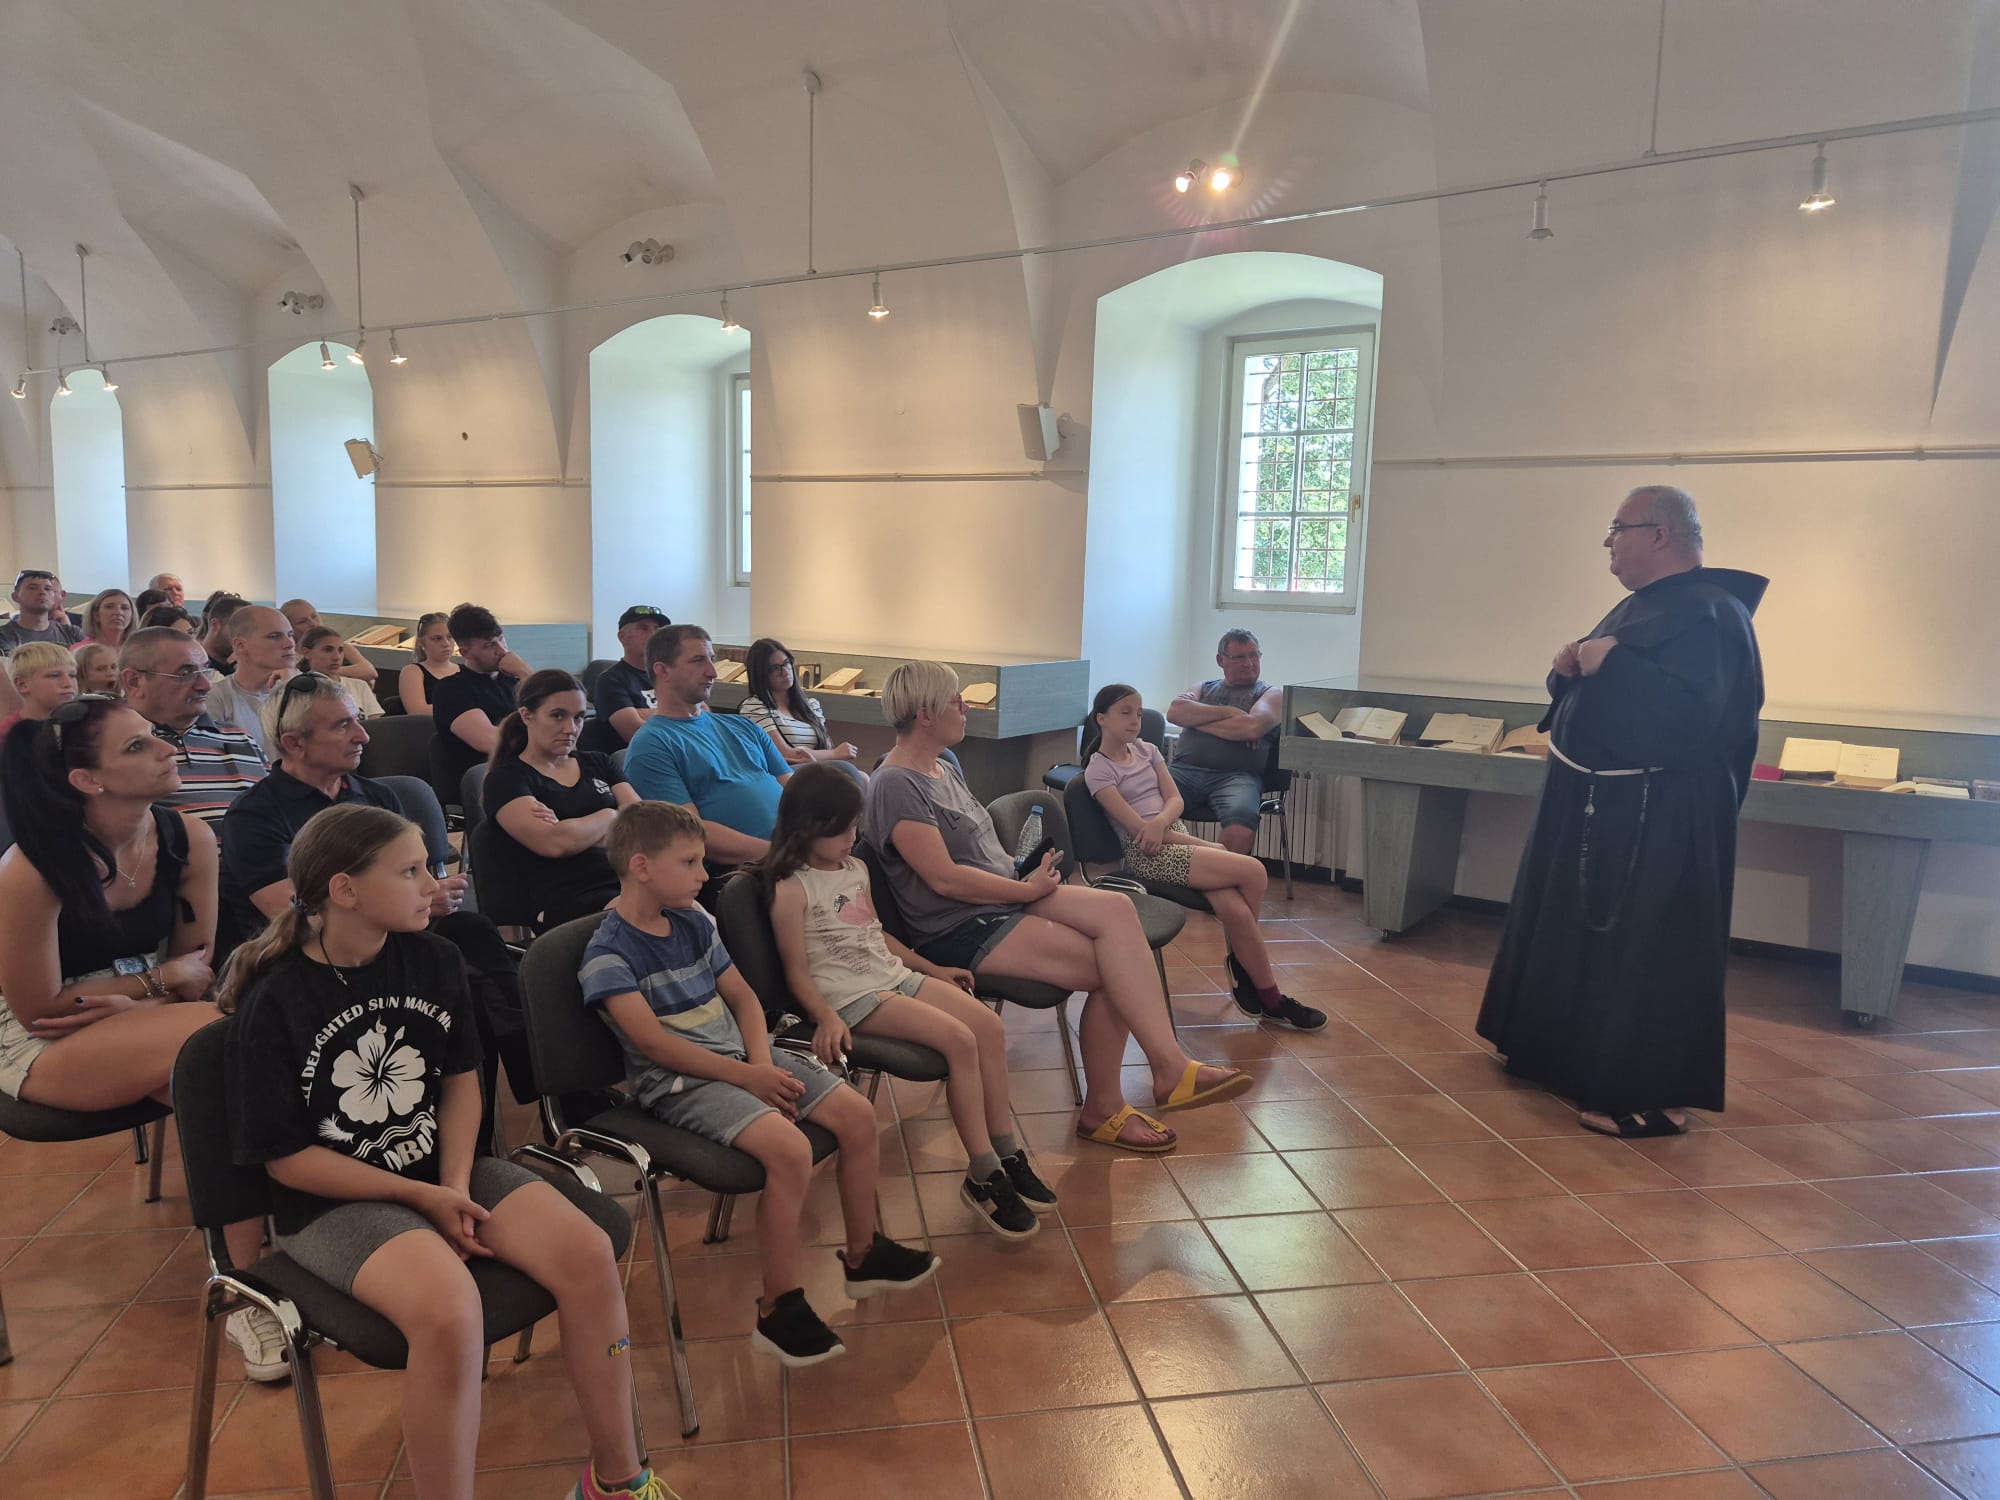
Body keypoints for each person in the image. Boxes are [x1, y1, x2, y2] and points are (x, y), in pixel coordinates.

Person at [220, 805, 673, 1500]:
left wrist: (454, 1184)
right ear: (345, 890)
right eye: (410, 871)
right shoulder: (275, 998)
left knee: (586, 1253)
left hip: (442, 1171)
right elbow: (285, 1160)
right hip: (329, 1202)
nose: (433, 885)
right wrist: (420, 1195)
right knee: (451, 1310)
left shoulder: (433, 957)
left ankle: (617, 1480)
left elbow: (462, 1080)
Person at [582, 801, 939, 1368]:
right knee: (791, 1152)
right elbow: (655, 1047)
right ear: (642, 867)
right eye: (690, 862)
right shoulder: (608, 956)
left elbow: (745, 1000)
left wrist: (759, 1064)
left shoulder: (694, 920)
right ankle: (778, 1307)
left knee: (857, 1117)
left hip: (743, 1059)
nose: (704, 875)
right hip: (682, 1083)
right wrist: (748, 1076)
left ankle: (864, 1253)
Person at [0, 697, 286, 1381]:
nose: (166, 747)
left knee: (219, 1071)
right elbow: (40, 1008)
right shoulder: (32, 867)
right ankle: (254, 1278)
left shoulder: (187, 838)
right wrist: (156, 983)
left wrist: (147, 993)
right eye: (136, 746)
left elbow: (199, 967)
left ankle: (257, 1268)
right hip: (36, 1035)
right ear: (87, 781)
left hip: (140, 1009)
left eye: (155, 736)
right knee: (224, 1045)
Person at [864, 660, 1251, 1156]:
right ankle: (1113, 1104)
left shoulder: (943, 766)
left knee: (1118, 913)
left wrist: (1023, 874)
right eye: (956, 700)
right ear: (924, 714)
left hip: (1003, 894)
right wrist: (1024, 892)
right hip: (959, 924)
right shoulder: (895, 783)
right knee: (1113, 969)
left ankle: (1168, 1067)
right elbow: (944, 878)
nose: (965, 708)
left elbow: (978, 853)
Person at [1478, 485, 1766, 1139]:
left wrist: (1619, 664)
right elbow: (1602, 690)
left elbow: (1699, 720)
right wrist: (1568, 671)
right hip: (1596, 802)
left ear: (1659, 534)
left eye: (1617, 527)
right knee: (1577, 938)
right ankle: (1557, 1054)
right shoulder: (1640, 604)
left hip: (1661, 816)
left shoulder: (1715, 612)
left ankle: (1649, 1093)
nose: (1607, 541)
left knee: (1648, 950)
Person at [765, 764, 1053, 1237]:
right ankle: (983, 1172)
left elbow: (877, 935)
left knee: (989, 1027)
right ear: (807, 826)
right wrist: (824, 1016)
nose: (852, 838)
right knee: (960, 1040)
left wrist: (931, 969)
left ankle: (1007, 1152)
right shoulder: (791, 888)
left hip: (892, 976)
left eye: (854, 827)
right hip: (852, 996)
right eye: (840, 830)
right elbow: (795, 973)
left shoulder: (855, 868)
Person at [1083, 683, 1326, 1031]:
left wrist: (1164, 823)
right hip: (1149, 855)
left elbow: (1176, 800)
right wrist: (1204, 845)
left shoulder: (1147, 750)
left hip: (1173, 836)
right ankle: (1247, 973)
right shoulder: (1098, 770)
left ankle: (1269, 998)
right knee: (1254, 872)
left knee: (1237, 912)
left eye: (1138, 712)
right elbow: (1141, 833)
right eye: (1125, 713)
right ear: (1101, 719)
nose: (1135, 720)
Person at [624, 625, 791, 900]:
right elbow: (691, 835)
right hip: (742, 874)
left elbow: (795, 791)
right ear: (663, 671)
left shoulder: (743, 726)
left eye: (712, 659)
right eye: (698, 660)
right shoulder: (651, 746)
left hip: (794, 855)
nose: (712, 672)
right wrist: (781, 854)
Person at [481, 669, 638, 928]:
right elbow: (555, 843)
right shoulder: (507, 779)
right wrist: (612, 815)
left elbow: (642, 825)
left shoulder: (599, 762)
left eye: (579, 717)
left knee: (691, 908)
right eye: (557, 716)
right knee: (648, 914)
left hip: (628, 877)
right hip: (567, 894)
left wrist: (573, 829)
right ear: (527, 715)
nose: (571, 728)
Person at [119, 626, 269, 825]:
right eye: (185, 673)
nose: (205, 685)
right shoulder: (117, 748)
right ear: (134, 681)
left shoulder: (241, 738)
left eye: (205, 670)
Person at [1165, 629, 1282, 857]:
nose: (1249, 663)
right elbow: (1175, 712)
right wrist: (1231, 712)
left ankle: (1216, 876)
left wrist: (1196, 720)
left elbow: (1250, 728)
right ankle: (1155, 872)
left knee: (1241, 825)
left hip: (1236, 777)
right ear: (1221, 660)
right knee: (1141, 801)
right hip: (1183, 771)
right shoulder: (1202, 687)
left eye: (1254, 655)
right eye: (1239, 657)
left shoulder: (1270, 694)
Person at [740, 637, 863, 783]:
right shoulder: (755, 706)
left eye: (787, 663)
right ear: (761, 674)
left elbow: (825, 746)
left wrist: (825, 755)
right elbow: (784, 754)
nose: (785, 671)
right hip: (784, 774)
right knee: (849, 773)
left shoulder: (811, 705)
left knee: (863, 777)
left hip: (816, 769)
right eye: (775, 668)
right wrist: (835, 753)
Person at [430, 603, 521, 800]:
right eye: (489, 645)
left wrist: (525, 674)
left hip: (525, 772)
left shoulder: (514, 681)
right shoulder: (452, 690)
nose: (502, 651)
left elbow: (560, 710)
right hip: (485, 782)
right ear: (465, 653)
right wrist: (545, 740)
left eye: (501, 639)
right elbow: (489, 741)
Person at [206, 605, 299, 760]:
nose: (289, 644)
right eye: (274, 636)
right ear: (240, 645)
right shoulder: (217, 697)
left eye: (290, 635)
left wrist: (294, 689)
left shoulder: (304, 689)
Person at [592, 604, 669, 743]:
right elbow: (636, 733)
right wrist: (680, 714)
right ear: (622, 637)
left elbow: (703, 711)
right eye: (643, 628)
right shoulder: (610, 680)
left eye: (657, 629)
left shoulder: (670, 674)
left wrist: (642, 713)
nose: (653, 635)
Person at [279, 598, 379, 686]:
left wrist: (328, 670)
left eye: (314, 616)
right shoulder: (287, 656)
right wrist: (350, 673)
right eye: (302, 621)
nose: (313, 624)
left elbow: (369, 671)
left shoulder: (343, 647)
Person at [299, 626, 384, 716]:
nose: (337, 657)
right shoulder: (300, 689)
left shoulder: (359, 686)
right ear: (306, 653)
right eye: (328, 650)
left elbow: (375, 722)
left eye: (340, 650)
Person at [0, 642, 80, 734]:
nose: (68, 684)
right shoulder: (7, 734)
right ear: (22, 684)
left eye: (72, 675)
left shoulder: (85, 725)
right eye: (54, 675)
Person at [0, 568, 86, 651]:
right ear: (15, 596)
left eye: (48, 589)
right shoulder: (3, 635)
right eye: (33, 588)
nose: (42, 592)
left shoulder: (73, 633)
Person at [398, 611, 457, 718]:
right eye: (437, 638)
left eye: (450, 637)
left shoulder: (464, 670)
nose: (446, 643)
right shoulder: (413, 672)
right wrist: (463, 708)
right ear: (422, 642)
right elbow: (417, 711)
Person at [198, 592, 247, 676]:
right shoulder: (196, 667)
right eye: (239, 628)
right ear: (215, 625)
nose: (245, 636)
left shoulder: (243, 664)